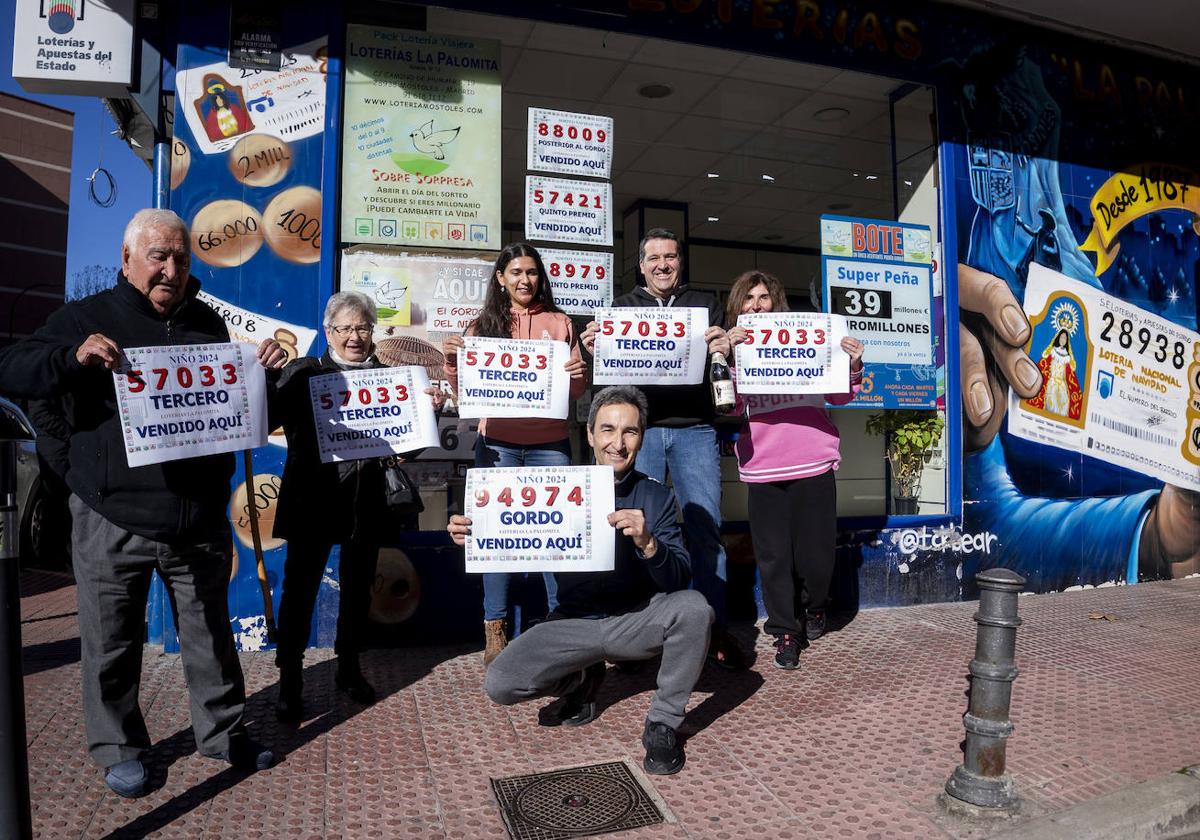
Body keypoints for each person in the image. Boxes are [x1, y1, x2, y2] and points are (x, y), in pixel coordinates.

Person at [0, 209, 286, 798]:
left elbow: (236, 412)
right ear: (127, 259)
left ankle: (223, 733)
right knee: (111, 640)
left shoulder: (209, 322)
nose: (171, 268)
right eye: (158, 256)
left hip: (196, 516)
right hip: (112, 516)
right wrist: (70, 362)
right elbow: (12, 368)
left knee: (210, 633)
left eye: (181, 257)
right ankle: (119, 748)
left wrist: (265, 379)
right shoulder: (83, 318)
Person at [447, 386, 713, 775]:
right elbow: (507, 534)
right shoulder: (548, 486)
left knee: (694, 609)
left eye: (630, 432)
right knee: (500, 683)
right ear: (590, 435)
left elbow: (679, 576)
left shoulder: (657, 496)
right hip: (572, 620)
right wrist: (474, 533)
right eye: (607, 430)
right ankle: (580, 679)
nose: (617, 444)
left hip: (634, 619)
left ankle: (663, 723)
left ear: (641, 437)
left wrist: (648, 543)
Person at [269, 290, 443, 722]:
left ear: (373, 332)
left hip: (367, 503)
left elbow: (411, 447)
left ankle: (349, 667)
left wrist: (429, 414)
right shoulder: (302, 372)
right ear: (329, 332)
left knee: (358, 589)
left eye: (362, 328)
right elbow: (265, 416)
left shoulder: (391, 376)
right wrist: (262, 377)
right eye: (345, 329)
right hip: (313, 500)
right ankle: (289, 677)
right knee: (299, 591)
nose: (354, 337)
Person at [580, 228, 742, 670]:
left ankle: (713, 628)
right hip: (641, 434)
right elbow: (604, 382)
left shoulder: (705, 304)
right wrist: (592, 348)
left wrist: (724, 346)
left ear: (680, 262)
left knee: (705, 528)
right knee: (635, 527)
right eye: (654, 258)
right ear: (641, 264)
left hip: (694, 430)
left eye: (670, 257)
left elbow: (720, 364)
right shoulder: (620, 308)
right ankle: (641, 632)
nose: (662, 265)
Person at [443, 242, 587, 665]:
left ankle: (560, 622)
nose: (526, 280)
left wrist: (578, 376)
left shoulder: (561, 324)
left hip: (550, 445)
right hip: (497, 446)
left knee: (555, 536)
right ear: (501, 279)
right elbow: (465, 393)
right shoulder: (481, 327)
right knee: (493, 537)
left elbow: (573, 395)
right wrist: (453, 364)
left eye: (533, 272)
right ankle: (495, 628)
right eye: (517, 272)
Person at [725, 271, 863, 669]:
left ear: (776, 302)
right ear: (738, 308)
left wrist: (853, 363)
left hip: (814, 459)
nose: (756, 304)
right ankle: (785, 632)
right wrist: (729, 361)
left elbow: (840, 393)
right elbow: (729, 407)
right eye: (747, 298)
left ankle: (814, 606)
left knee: (816, 557)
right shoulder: (736, 351)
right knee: (773, 559)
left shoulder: (810, 336)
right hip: (763, 467)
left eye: (764, 297)